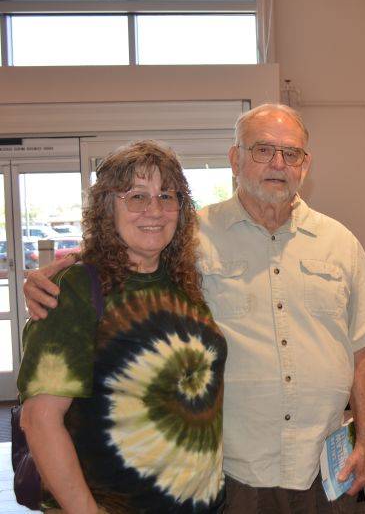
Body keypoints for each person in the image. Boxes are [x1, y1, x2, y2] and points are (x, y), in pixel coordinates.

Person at [25, 104, 365, 513]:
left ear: (305, 165)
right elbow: (131, 248)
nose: (278, 163)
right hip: (234, 474)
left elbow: (361, 350)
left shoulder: (340, 243)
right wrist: (62, 271)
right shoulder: (194, 237)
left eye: (291, 153)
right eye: (263, 150)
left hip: (322, 466)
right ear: (235, 159)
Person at [18, 141, 226, 513]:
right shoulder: (77, 288)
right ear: (107, 208)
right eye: (136, 196)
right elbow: (39, 420)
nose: (154, 210)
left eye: (166, 195)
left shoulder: (183, 282)